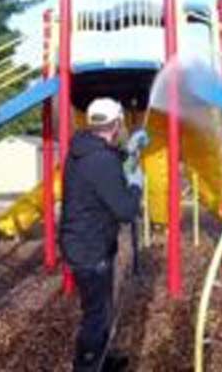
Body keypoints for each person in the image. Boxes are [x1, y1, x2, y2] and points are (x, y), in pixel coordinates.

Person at [59, 97, 147, 372]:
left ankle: (101, 357)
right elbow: (125, 211)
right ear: (117, 123)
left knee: (100, 310)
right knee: (96, 315)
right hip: (89, 249)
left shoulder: (83, 149)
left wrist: (128, 153)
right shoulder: (100, 161)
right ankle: (86, 366)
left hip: (84, 242)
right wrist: (135, 186)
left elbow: (106, 161)